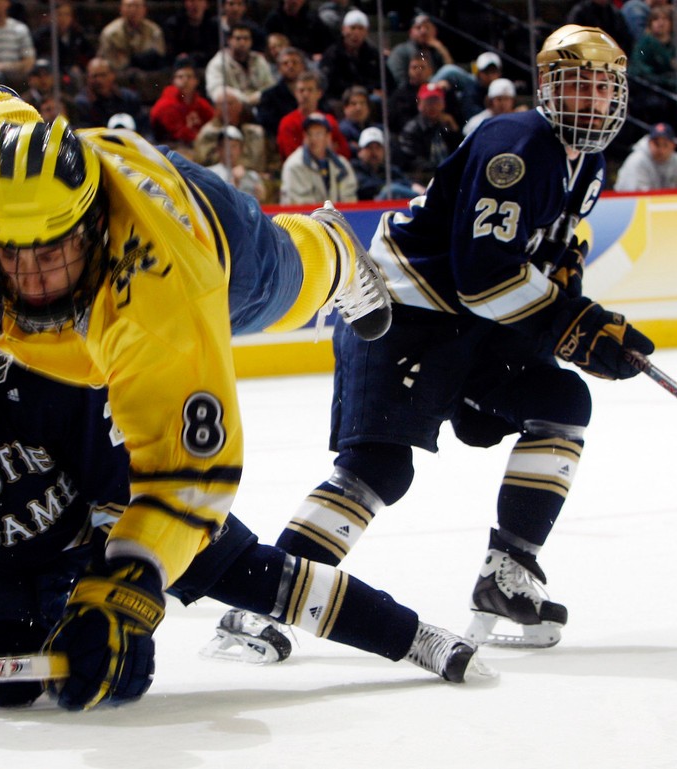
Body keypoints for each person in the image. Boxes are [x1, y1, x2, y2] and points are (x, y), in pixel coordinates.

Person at [0, 58, 419, 712]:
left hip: (192, 219)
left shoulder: (165, 293)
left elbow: (184, 472)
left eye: (51, 252)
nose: (32, 278)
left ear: (92, 228)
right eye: (11, 254)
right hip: (47, 176)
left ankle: (330, 250)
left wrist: (127, 589)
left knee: (277, 281)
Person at [268, 24, 655, 653]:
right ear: (549, 90)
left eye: (601, 89)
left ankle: (508, 573)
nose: (589, 103)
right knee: (379, 469)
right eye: (575, 87)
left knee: (561, 403)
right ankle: (267, 599)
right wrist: (577, 326)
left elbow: (549, 259)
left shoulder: (587, 166)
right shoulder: (516, 148)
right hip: (403, 313)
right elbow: (483, 276)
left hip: (470, 325)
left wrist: (576, 325)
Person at [280, 112, 358, 205]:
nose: (313, 139)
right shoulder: (293, 165)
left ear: (328, 137)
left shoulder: (342, 165)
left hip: (336, 218)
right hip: (303, 218)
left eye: (318, 134)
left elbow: (350, 201)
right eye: (309, 134)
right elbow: (297, 205)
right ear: (304, 137)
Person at [276, 70, 350, 160]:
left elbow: (344, 152)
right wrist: (327, 149)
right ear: (296, 94)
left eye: (310, 90)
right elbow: (291, 155)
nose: (305, 94)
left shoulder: (329, 120)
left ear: (319, 94)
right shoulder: (287, 122)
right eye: (301, 90)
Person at [397, 83, 463, 183]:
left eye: (436, 101)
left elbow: (461, 153)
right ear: (419, 104)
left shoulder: (446, 126)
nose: (433, 106)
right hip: (425, 180)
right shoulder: (411, 130)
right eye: (428, 102)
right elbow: (412, 162)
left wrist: (454, 131)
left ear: (443, 104)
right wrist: (443, 169)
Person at [204, 23, 275, 109]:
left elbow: (270, 86)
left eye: (246, 38)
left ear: (251, 41)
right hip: (233, 108)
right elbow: (216, 92)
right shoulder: (218, 63)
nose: (242, 42)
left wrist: (259, 96)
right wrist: (246, 99)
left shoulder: (259, 60)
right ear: (229, 40)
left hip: (261, 105)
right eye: (238, 38)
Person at [149, 55, 214, 147]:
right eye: (180, 77)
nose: (185, 80)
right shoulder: (166, 104)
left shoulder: (201, 103)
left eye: (189, 76)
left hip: (198, 145)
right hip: (172, 148)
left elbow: (214, 121)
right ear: (173, 81)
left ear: (196, 81)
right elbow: (179, 134)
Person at [72, 56, 145, 132]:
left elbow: (144, 129)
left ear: (112, 75)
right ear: (87, 78)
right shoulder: (82, 104)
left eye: (103, 75)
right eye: (94, 76)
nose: (99, 80)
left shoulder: (130, 98)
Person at [350, 126, 423, 201]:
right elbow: (366, 186)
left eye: (378, 147)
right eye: (369, 147)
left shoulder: (389, 170)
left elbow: (404, 181)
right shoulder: (354, 169)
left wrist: (413, 185)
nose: (374, 152)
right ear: (360, 152)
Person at [386, 14, 453, 91]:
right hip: (412, 92)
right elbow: (399, 81)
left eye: (427, 27)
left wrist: (441, 49)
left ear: (435, 31)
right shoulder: (401, 51)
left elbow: (449, 73)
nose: (423, 31)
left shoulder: (436, 51)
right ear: (410, 32)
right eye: (418, 28)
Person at [255, 46, 306, 137]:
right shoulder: (269, 96)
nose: (290, 66)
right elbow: (266, 122)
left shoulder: (313, 91)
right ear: (279, 69)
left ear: (302, 66)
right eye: (285, 63)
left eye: (294, 62)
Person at [206, 124, 266, 202]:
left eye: (234, 146)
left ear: (241, 149)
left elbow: (258, 205)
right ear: (218, 149)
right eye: (226, 146)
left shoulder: (252, 176)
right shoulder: (208, 174)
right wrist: (235, 183)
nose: (230, 151)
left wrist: (261, 197)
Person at [614, 121, 677, 191]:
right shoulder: (637, 160)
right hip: (631, 201)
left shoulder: (675, 160)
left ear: (673, 145)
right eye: (657, 144)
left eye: (665, 145)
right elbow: (635, 195)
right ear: (649, 143)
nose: (661, 149)